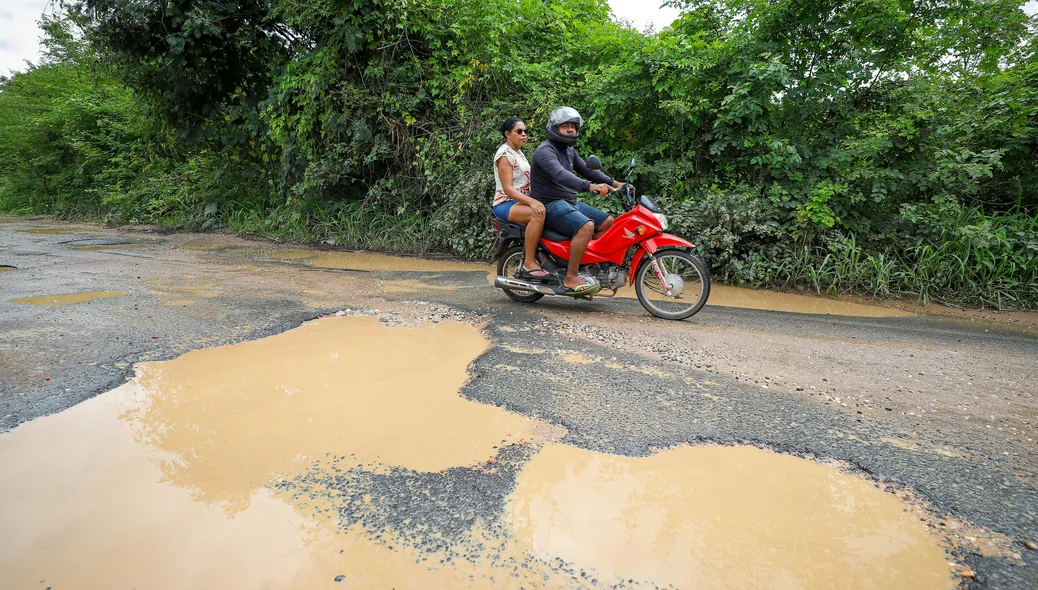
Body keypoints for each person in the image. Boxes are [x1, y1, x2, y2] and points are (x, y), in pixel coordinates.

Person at [530, 106, 623, 293]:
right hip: (551, 205)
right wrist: (591, 187)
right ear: (554, 128)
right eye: (565, 126)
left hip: (569, 203)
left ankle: (586, 264)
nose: (571, 129)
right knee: (586, 226)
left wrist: (615, 183)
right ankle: (571, 277)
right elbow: (562, 175)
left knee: (608, 222)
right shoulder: (545, 151)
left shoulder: (569, 150)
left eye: (573, 126)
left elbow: (588, 170)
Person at [492, 117, 549, 281]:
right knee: (537, 214)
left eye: (525, 131)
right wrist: (532, 202)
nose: (524, 134)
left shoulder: (518, 152)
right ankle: (529, 263)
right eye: (519, 131)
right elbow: (508, 189)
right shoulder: (504, 154)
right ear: (508, 134)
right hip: (505, 203)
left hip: (520, 201)